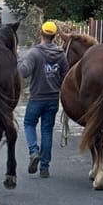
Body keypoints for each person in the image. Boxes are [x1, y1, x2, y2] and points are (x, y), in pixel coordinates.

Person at [18, 21, 69, 178]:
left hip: (37, 98)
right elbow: (66, 77)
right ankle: (45, 168)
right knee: (47, 131)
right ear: (54, 36)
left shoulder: (35, 53)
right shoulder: (61, 55)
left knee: (28, 123)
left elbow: (23, 72)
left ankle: (34, 151)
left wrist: (17, 59)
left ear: (41, 33)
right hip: (53, 99)